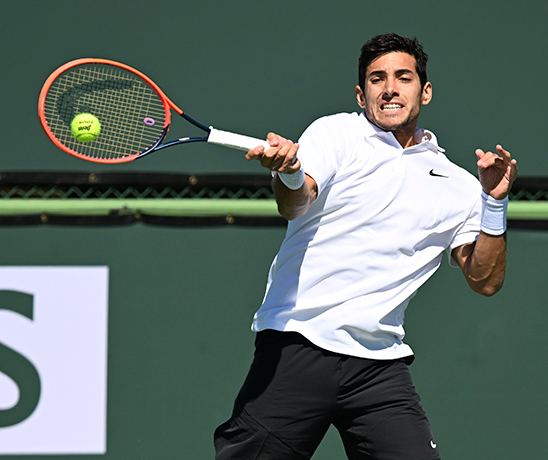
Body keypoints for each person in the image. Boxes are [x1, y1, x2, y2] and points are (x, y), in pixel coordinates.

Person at [214, 33, 517, 460]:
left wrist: (494, 203)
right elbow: (296, 203)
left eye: (403, 77)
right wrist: (289, 174)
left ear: (424, 91)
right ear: (362, 93)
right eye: (377, 78)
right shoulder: (335, 133)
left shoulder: (461, 187)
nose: (390, 87)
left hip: (380, 366)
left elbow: (485, 280)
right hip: (298, 344)